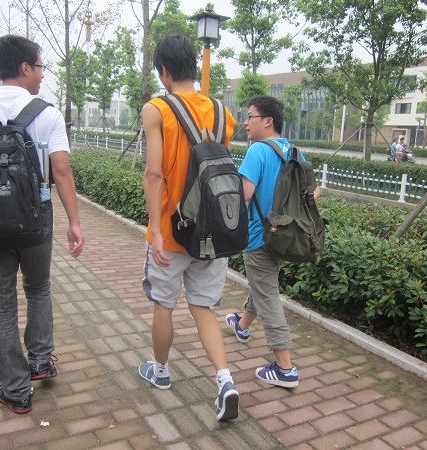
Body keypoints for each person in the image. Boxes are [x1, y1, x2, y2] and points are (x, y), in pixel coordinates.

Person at [0, 34, 85, 414]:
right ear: (25, 67)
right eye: (40, 67)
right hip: (36, 221)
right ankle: (40, 362)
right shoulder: (47, 113)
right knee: (38, 288)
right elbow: (61, 171)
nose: (42, 75)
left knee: (3, 304)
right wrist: (74, 222)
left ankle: (16, 389)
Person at [138, 33, 239, 422]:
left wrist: (156, 229)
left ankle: (161, 372)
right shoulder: (222, 111)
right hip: (213, 230)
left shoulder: (157, 109)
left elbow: (154, 173)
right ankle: (225, 381)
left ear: (164, 71)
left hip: (172, 230)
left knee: (164, 304)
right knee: (203, 307)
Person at [225, 95, 320, 389]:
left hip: (259, 237)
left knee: (268, 296)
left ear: (267, 121)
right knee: (264, 284)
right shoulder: (294, 151)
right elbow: (313, 193)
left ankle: (285, 368)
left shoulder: (257, 150)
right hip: (285, 236)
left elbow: (244, 194)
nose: (245, 122)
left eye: (250, 116)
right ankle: (242, 326)